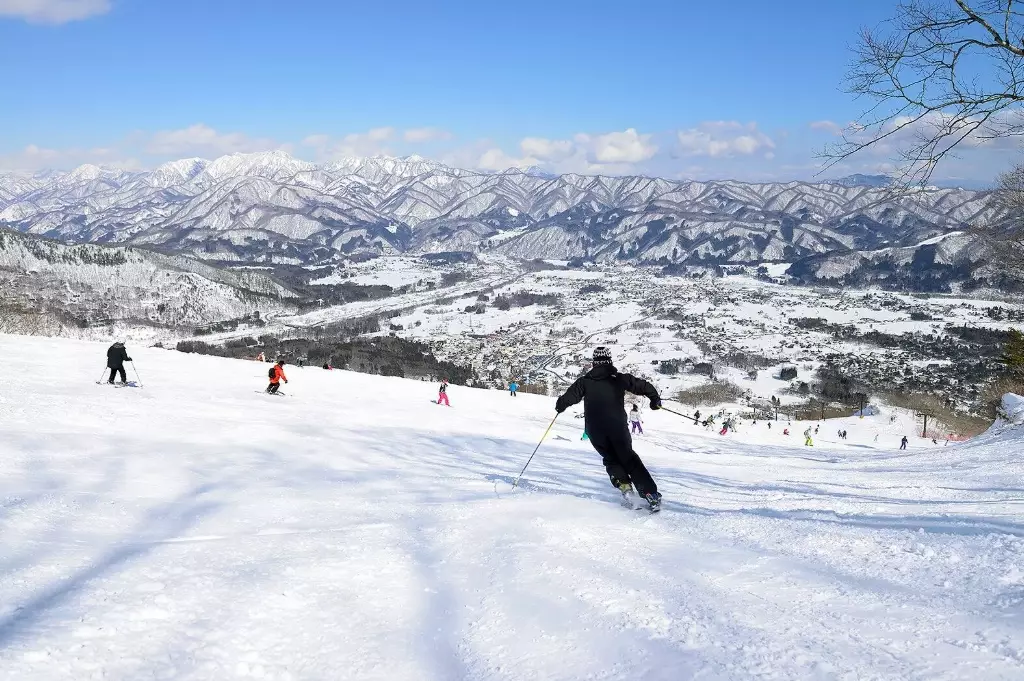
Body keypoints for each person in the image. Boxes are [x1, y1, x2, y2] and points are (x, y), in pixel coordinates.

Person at [555, 346, 663, 511]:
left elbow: (568, 398)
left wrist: (560, 406)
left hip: (595, 429)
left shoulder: (585, 381)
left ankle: (625, 487)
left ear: (594, 363)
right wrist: (655, 399)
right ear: (609, 361)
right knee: (628, 458)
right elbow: (643, 386)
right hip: (617, 426)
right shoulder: (619, 379)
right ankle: (650, 493)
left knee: (610, 458)